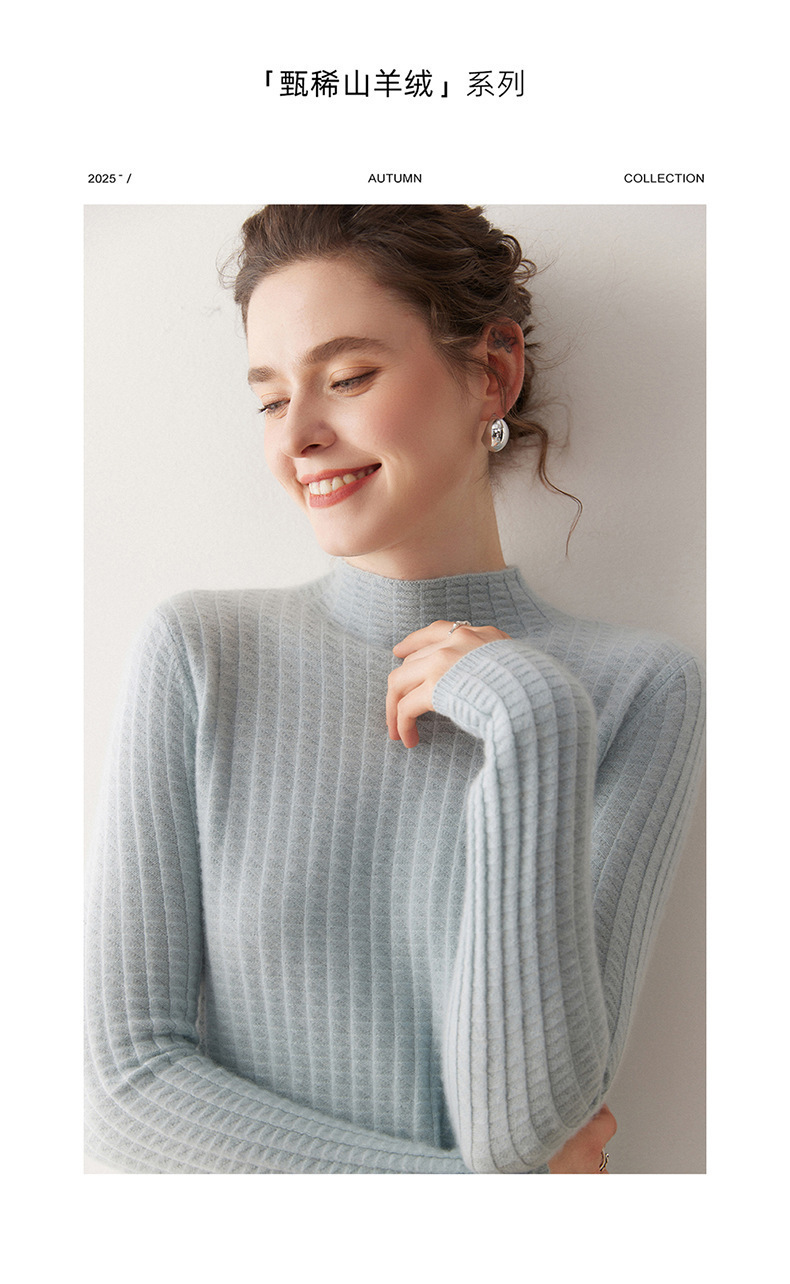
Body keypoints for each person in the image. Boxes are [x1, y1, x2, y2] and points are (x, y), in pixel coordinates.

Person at [84, 204, 704, 1174]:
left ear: (492, 372)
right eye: (269, 400)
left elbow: (526, 1129)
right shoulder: (202, 653)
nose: (299, 436)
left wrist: (531, 718)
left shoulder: (635, 689)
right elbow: (126, 1091)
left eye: (347, 378)